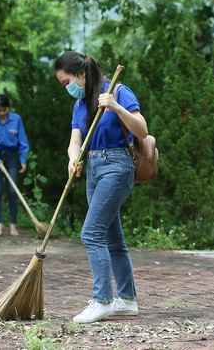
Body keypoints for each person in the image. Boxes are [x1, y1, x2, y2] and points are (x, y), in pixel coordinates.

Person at [54, 51, 148, 323]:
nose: (67, 88)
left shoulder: (117, 90)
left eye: (67, 81)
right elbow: (75, 141)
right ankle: (128, 300)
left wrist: (116, 107)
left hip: (117, 166)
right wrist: (73, 159)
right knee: (112, 239)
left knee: (91, 233)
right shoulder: (80, 104)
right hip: (93, 169)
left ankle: (103, 300)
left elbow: (141, 129)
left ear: (82, 74)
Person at [0, 95, 29, 237]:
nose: (1, 113)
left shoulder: (16, 119)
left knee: (12, 191)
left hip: (12, 158)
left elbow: (23, 142)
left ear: (8, 108)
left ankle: (13, 225)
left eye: (4, 110)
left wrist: (23, 159)